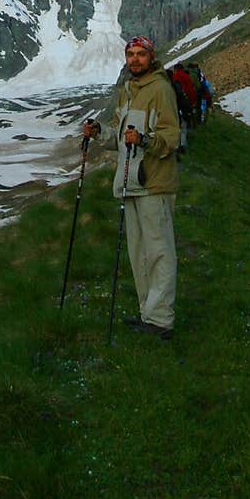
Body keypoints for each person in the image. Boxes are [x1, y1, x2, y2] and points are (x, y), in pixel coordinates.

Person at [85, 34, 181, 339]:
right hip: (131, 182)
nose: (135, 59)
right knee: (138, 252)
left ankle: (162, 320)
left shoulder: (161, 90)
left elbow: (172, 138)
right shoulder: (128, 91)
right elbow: (118, 134)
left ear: (151, 57)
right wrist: (100, 131)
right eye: (131, 54)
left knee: (160, 252)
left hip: (154, 183)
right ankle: (147, 314)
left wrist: (144, 140)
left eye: (141, 54)